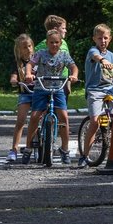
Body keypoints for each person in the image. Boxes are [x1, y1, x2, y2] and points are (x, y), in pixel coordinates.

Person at [22, 29, 79, 164]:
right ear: (47, 43)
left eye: (57, 42)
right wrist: (28, 74)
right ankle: (28, 148)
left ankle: (64, 150)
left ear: (60, 43)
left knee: (64, 117)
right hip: (41, 87)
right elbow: (30, 64)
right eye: (52, 42)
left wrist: (74, 75)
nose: (54, 45)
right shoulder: (41, 54)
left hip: (58, 88)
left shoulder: (64, 55)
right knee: (35, 116)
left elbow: (73, 67)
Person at [78, 23, 113, 168]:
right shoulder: (92, 51)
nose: (103, 41)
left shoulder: (112, 56)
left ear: (110, 39)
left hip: (110, 90)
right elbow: (95, 56)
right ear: (94, 39)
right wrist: (102, 60)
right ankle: (84, 155)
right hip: (95, 90)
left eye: (106, 38)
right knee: (95, 121)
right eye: (100, 38)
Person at [7, 34, 35, 163]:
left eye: (29, 46)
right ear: (19, 50)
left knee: (41, 117)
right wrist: (14, 80)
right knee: (21, 120)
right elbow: (14, 75)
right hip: (25, 93)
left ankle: (42, 143)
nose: (28, 49)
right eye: (24, 47)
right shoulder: (18, 63)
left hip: (40, 93)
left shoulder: (38, 59)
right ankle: (14, 149)